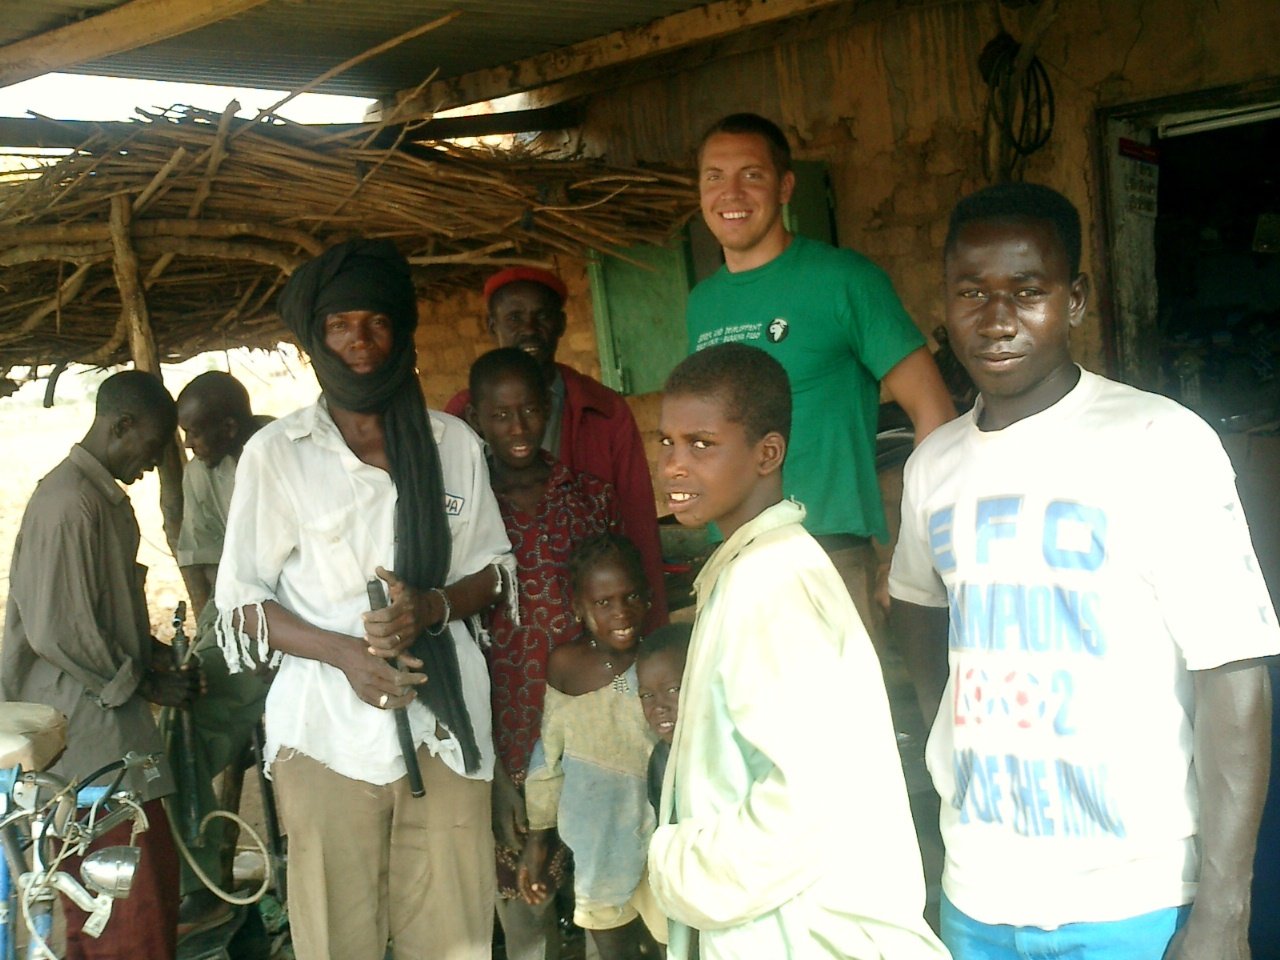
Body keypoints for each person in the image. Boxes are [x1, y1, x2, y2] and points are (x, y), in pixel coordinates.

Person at [888, 182, 1279, 959]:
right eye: (971, 292)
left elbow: (1232, 671)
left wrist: (1226, 912)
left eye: (1026, 291)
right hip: (980, 894)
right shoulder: (933, 466)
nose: (996, 320)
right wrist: (956, 732)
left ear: (1075, 299)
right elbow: (917, 608)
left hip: (1132, 900)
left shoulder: (1159, 441)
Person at [214, 238, 515, 960]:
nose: (360, 340)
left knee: (453, 940)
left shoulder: (452, 444)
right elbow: (241, 604)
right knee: (337, 939)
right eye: (340, 324)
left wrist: (431, 609)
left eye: (376, 321)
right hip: (324, 733)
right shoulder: (279, 454)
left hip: (443, 731)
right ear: (317, 337)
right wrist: (344, 652)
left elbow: (496, 570)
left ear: (401, 329)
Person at [649, 343, 948, 960]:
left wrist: (678, 869)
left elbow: (804, 804)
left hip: (803, 935)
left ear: (768, 454)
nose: (675, 465)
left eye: (701, 444)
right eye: (666, 442)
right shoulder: (751, 568)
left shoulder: (770, 587)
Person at [687, 112, 955, 630]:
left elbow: (935, 413)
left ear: (786, 186)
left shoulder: (844, 281)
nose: (731, 192)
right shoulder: (703, 303)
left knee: (840, 714)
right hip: (732, 560)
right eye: (714, 177)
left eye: (752, 174)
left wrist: (909, 558)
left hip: (826, 557)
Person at [2, 369, 198, 960]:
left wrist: (159, 658)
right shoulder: (71, 504)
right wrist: (143, 680)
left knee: (126, 900)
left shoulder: (100, 501)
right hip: (86, 734)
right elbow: (59, 630)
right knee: (124, 908)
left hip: (109, 725)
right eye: (152, 446)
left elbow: (108, 619)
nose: (153, 462)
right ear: (123, 425)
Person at [466, 346, 621, 960]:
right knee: (523, 902)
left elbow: (617, 610)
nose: (519, 428)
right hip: (503, 726)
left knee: (601, 890)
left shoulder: (589, 498)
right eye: (501, 416)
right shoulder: (466, 510)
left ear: (550, 410)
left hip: (587, 724)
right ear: (477, 418)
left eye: (530, 410)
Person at [445, 267, 668, 628]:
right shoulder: (458, 417)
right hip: (503, 628)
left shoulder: (604, 409)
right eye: (515, 317)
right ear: (492, 325)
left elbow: (637, 519)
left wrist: (652, 625)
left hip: (595, 620)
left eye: (543, 316)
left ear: (562, 324)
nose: (530, 329)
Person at [520, 533, 665, 960]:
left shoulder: (661, 658)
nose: (621, 611)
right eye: (604, 602)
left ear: (648, 597)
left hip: (661, 839)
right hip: (600, 847)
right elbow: (548, 757)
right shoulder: (566, 666)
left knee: (672, 945)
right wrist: (538, 839)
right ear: (579, 608)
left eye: (631, 596)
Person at [170, 370, 272, 936]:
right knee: (176, 726)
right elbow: (203, 562)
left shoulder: (286, 453)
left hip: (296, 625)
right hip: (237, 620)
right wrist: (215, 637)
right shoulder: (200, 473)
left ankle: (203, 886)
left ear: (230, 428)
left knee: (194, 734)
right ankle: (204, 880)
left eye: (196, 434)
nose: (189, 444)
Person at [635, 622, 692, 814]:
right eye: (647, 695)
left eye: (673, 690)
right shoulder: (661, 760)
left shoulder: (732, 746)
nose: (660, 707)